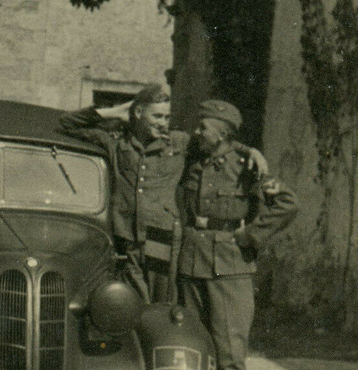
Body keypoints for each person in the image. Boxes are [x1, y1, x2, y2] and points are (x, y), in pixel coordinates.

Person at [60, 85, 267, 304]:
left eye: (167, 117)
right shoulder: (117, 142)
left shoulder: (179, 143)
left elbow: (220, 140)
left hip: (162, 237)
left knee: (162, 303)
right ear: (138, 114)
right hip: (127, 238)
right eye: (157, 116)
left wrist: (250, 151)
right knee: (130, 302)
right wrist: (114, 112)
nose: (163, 123)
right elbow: (67, 124)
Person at [177, 100, 298, 370]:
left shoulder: (246, 167)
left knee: (230, 356)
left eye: (204, 127)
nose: (197, 132)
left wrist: (250, 238)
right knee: (193, 350)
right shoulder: (191, 159)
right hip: (190, 264)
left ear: (223, 132)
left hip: (231, 269)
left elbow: (288, 204)